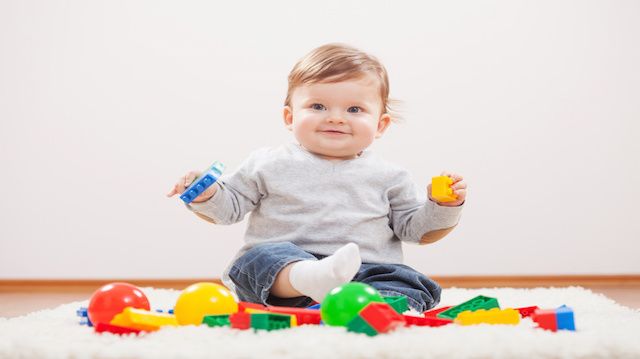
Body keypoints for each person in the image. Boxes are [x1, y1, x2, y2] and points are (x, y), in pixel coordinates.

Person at [167, 43, 467, 312]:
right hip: (284, 277)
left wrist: (442, 206)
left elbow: (416, 231)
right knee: (259, 259)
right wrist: (204, 193)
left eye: (354, 109)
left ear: (380, 125)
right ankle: (312, 278)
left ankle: (380, 308)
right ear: (290, 117)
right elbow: (228, 208)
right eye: (318, 106)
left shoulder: (390, 176)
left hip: (363, 273)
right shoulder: (268, 163)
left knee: (404, 279)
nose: (336, 117)